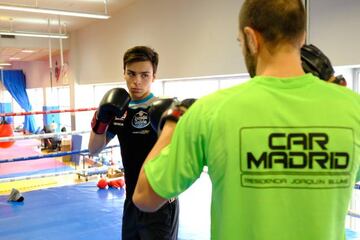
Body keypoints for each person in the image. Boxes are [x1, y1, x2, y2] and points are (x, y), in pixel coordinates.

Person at [133, 1, 360, 240]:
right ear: (302, 37)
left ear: (251, 38)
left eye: (241, 42)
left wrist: (173, 122)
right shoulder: (354, 109)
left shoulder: (210, 111)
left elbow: (144, 197)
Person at [88, 46, 179, 240]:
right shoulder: (119, 110)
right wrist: (101, 119)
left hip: (160, 201)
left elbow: (183, 154)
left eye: (145, 75)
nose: (137, 81)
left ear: (154, 76)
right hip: (131, 200)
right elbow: (94, 149)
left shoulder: (167, 109)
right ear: (124, 73)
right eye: (131, 74)